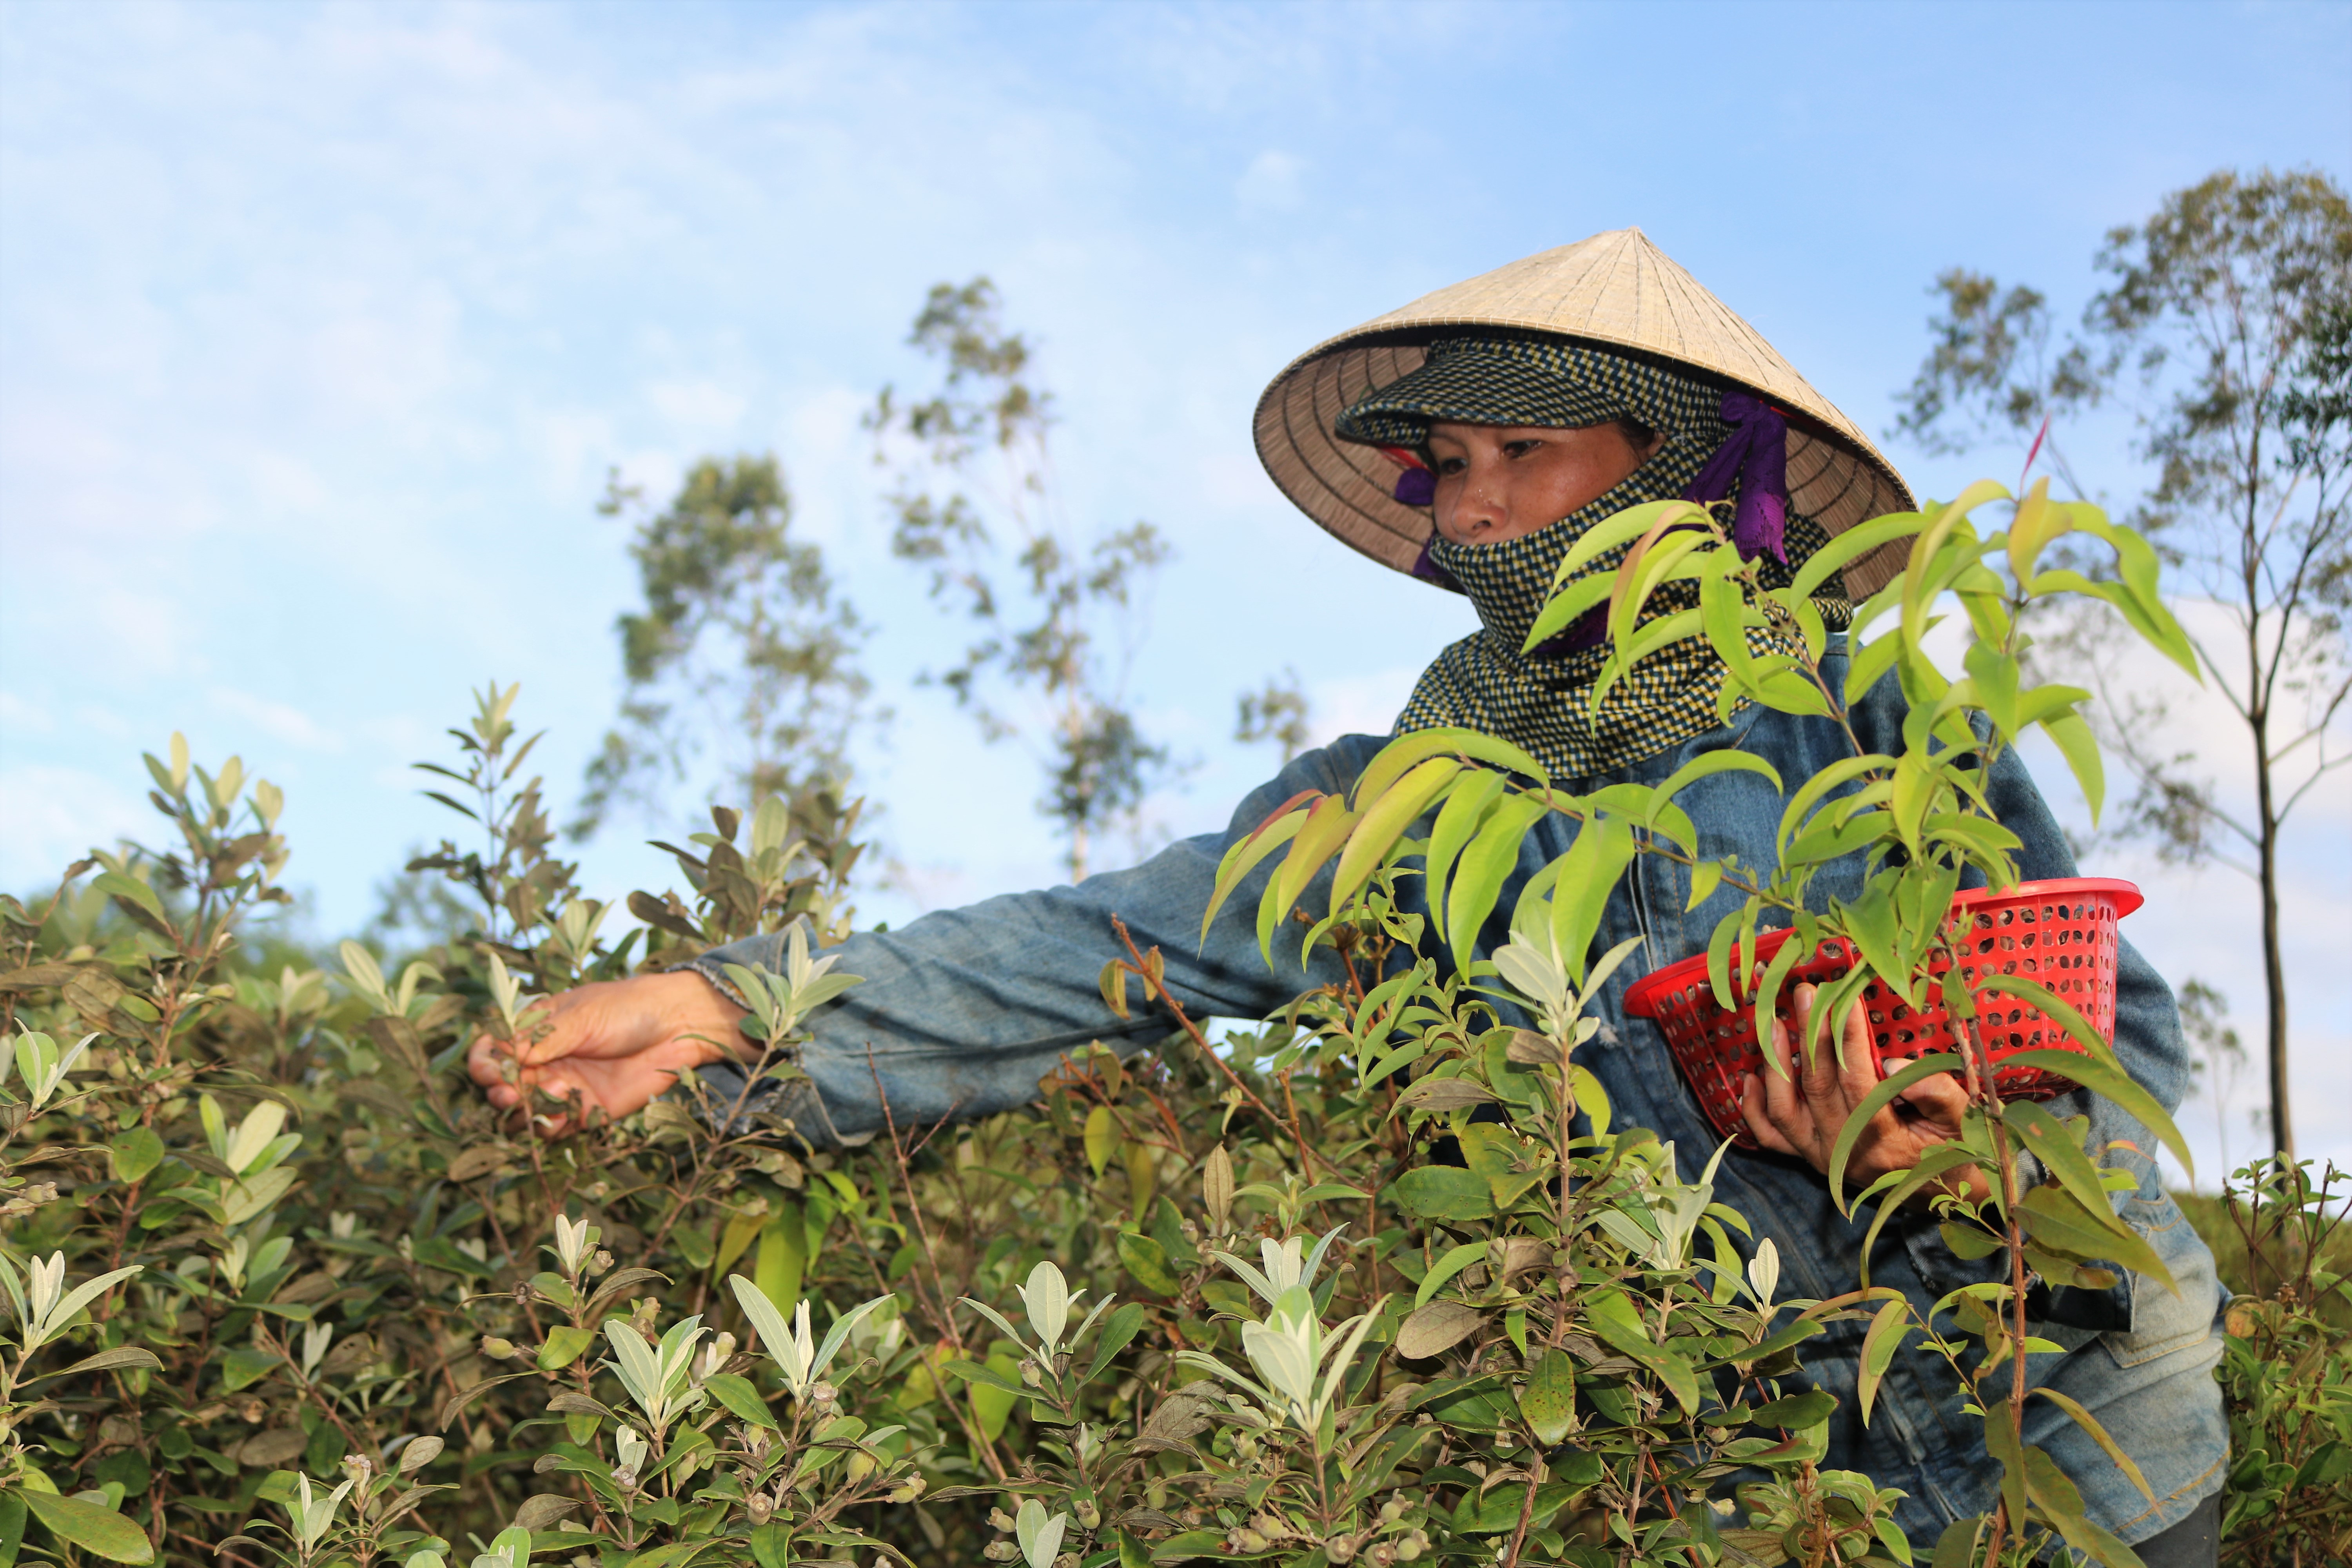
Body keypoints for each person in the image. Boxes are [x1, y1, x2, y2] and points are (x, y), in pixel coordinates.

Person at [468, 230, 2227, 1562]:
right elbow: (1100, 948)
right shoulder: (1405, 798)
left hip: (2084, 1441)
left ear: (1675, 467)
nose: (1476, 514)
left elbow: (2109, 1012)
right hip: (1781, 1488)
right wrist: (725, 1007)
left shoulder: (1866, 716)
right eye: (1450, 467)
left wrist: (1965, 1124)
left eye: (1523, 457)